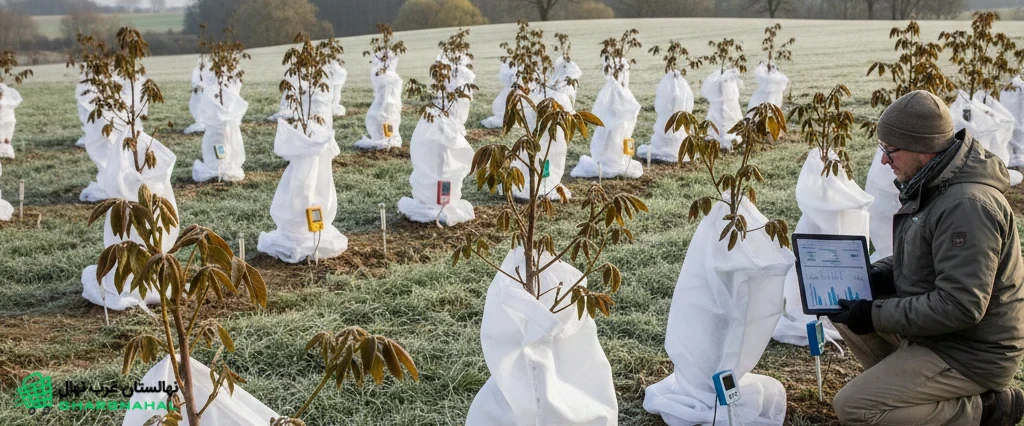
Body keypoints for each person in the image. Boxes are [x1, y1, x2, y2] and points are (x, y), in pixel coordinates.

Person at [828, 90, 1024, 426]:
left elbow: (960, 306)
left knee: (854, 408)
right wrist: (873, 275)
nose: (885, 161)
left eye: (890, 151)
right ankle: (906, 396)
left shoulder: (967, 206)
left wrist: (875, 315)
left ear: (923, 150)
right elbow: (923, 256)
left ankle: (986, 409)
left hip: (972, 352)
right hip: (943, 336)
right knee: (844, 308)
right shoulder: (934, 183)